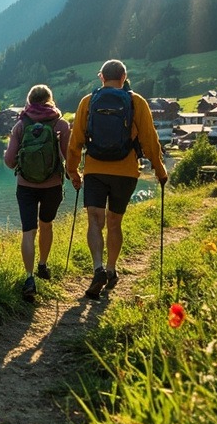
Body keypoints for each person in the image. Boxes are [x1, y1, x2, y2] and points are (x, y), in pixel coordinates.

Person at [66, 60, 168, 299]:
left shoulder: (88, 102)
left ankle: (98, 268)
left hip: (95, 170)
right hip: (126, 171)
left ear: (101, 77)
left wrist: (73, 172)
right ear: (124, 77)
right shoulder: (136, 102)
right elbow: (150, 141)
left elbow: (75, 142)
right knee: (114, 222)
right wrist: (160, 171)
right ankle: (111, 270)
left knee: (94, 221)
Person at [3, 84, 71, 300]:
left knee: (28, 232)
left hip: (25, 187)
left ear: (29, 100)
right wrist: (75, 175)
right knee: (46, 224)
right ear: (50, 99)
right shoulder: (60, 124)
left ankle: (29, 277)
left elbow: (9, 162)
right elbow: (69, 157)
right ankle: (43, 265)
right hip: (52, 186)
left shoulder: (21, 125)